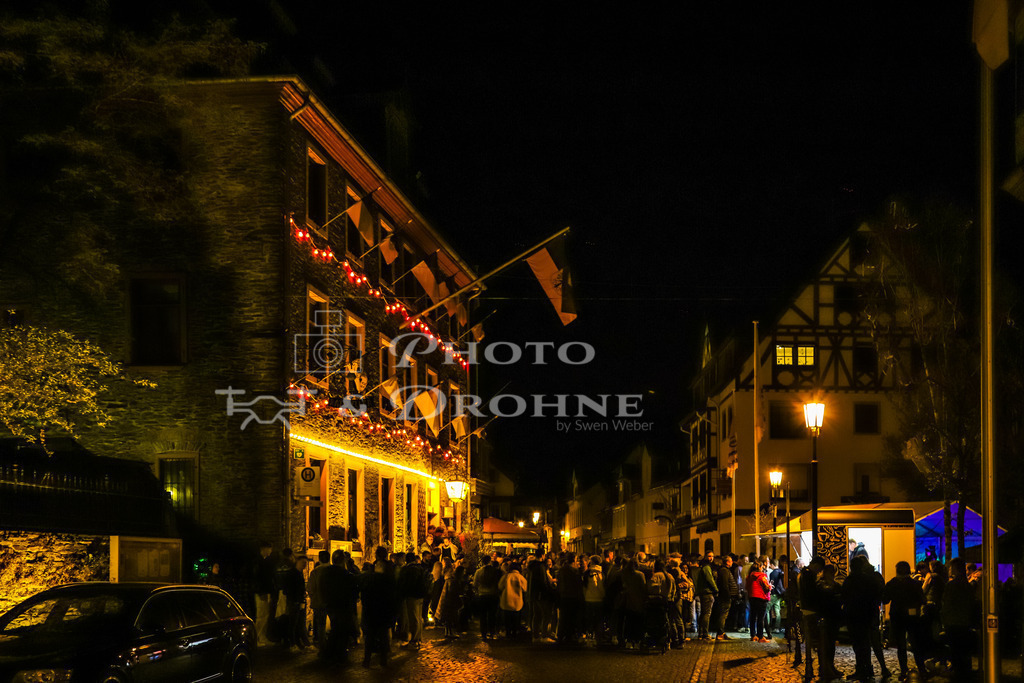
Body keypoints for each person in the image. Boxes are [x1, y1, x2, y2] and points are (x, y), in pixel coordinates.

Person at [844, 555, 890, 680]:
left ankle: (865, 669)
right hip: (870, 615)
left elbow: (845, 598)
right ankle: (875, 669)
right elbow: (879, 595)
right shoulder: (871, 578)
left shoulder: (851, 580)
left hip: (856, 617)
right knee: (870, 643)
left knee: (861, 644)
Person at [884, 560, 926, 681]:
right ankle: (921, 669)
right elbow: (922, 600)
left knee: (901, 645)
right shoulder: (915, 584)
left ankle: (904, 670)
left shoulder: (892, 583)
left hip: (897, 617)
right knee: (916, 643)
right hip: (912, 617)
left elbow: (885, 600)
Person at [360, 546, 398, 667]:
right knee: (383, 636)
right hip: (383, 612)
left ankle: (367, 660)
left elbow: (365, 596)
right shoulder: (389, 580)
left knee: (370, 637)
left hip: (372, 612)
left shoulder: (370, 579)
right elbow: (392, 597)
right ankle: (383, 660)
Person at [941, 557, 976, 680]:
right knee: (964, 650)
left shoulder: (952, 585)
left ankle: (958, 674)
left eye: (951, 567)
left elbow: (946, 604)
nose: (949, 570)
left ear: (955, 569)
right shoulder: (967, 585)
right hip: (965, 621)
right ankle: (965, 673)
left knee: (955, 650)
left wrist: (945, 620)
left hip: (954, 622)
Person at [320, 549, 358, 661]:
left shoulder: (326, 573)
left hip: (330, 605)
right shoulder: (346, 575)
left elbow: (322, 588)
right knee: (341, 630)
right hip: (343, 606)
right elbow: (352, 592)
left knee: (336, 628)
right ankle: (336, 653)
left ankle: (331, 653)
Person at [816, 564, 845, 681]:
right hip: (826, 617)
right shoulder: (822, 585)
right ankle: (825, 667)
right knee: (825, 644)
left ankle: (829, 666)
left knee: (831, 644)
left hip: (833, 617)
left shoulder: (835, 585)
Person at [798, 556, 825, 681]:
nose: (819, 571)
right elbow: (812, 594)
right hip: (811, 610)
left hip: (806, 609)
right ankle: (814, 668)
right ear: (815, 565)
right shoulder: (808, 575)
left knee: (812, 642)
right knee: (815, 641)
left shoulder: (803, 573)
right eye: (819, 568)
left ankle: (811, 667)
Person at [398, 551, 429, 650]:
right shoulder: (420, 568)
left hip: (412, 596)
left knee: (413, 618)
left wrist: (403, 593)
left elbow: (405, 584)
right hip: (420, 595)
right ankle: (418, 638)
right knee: (419, 618)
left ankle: (414, 641)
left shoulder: (408, 569)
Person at [281, 555, 309, 650]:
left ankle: (299, 643)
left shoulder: (299, 573)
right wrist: (296, 599)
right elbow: (289, 589)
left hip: (299, 601)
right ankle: (292, 644)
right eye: (303, 563)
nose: (304, 565)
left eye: (305, 563)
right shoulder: (292, 574)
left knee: (299, 623)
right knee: (293, 623)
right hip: (294, 602)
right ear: (297, 562)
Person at [557, 552, 584, 644]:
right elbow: (579, 584)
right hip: (573, 596)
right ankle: (570, 636)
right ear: (575, 559)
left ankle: (560, 636)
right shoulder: (575, 571)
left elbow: (559, 583)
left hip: (563, 596)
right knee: (572, 617)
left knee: (563, 617)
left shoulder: (561, 570)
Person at [306, 550, 331, 647]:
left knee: (321, 624)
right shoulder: (334, 570)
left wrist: (313, 597)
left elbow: (310, 588)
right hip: (333, 602)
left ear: (319, 559)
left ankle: (322, 644)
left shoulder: (315, 571)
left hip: (319, 602)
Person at [254, 541, 276, 647]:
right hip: (261, 592)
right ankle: (258, 637)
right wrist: (262, 591)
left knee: (265, 615)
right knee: (261, 615)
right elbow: (259, 578)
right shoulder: (258, 562)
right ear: (264, 549)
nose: (271, 551)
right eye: (269, 548)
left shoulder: (264, 561)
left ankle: (262, 636)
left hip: (265, 591)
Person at [474, 557, 501, 640]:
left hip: (482, 595)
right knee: (492, 615)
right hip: (493, 595)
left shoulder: (478, 572)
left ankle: (483, 633)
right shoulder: (495, 571)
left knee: (483, 615)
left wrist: (477, 591)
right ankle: (492, 632)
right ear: (490, 562)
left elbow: (475, 583)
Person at [499, 561, 528, 639]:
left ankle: (508, 633)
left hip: (506, 600)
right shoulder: (521, 577)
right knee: (516, 619)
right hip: (517, 602)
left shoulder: (506, 576)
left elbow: (500, 586)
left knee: (507, 619)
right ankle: (515, 633)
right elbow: (525, 589)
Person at [745, 558, 772, 643]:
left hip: (752, 597)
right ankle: (760, 637)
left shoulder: (749, 576)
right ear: (760, 567)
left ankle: (753, 635)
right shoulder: (762, 576)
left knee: (753, 617)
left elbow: (747, 587)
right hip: (761, 598)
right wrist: (770, 586)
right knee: (761, 618)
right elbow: (766, 587)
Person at [713, 555, 738, 640]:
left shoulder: (724, 570)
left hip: (725, 596)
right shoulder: (724, 571)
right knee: (723, 614)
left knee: (724, 614)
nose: (732, 563)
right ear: (727, 562)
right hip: (725, 597)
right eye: (731, 561)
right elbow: (724, 585)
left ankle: (721, 632)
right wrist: (727, 596)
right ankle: (720, 633)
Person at [583, 555, 606, 643]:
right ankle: (598, 637)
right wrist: (603, 595)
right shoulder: (601, 573)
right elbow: (601, 586)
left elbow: (584, 587)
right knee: (599, 619)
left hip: (588, 599)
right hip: (599, 599)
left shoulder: (587, 573)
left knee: (589, 618)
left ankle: (589, 634)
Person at [695, 554, 718, 641]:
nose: (711, 558)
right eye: (709, 556)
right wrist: (715, 589)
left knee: (703, 613)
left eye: (712, 556)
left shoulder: (704, 567)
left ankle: (701, 633)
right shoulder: (706, 567)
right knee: (706, 614)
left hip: (703, 592)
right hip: (707, 592)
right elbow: (710, 579)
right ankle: (704, 633)